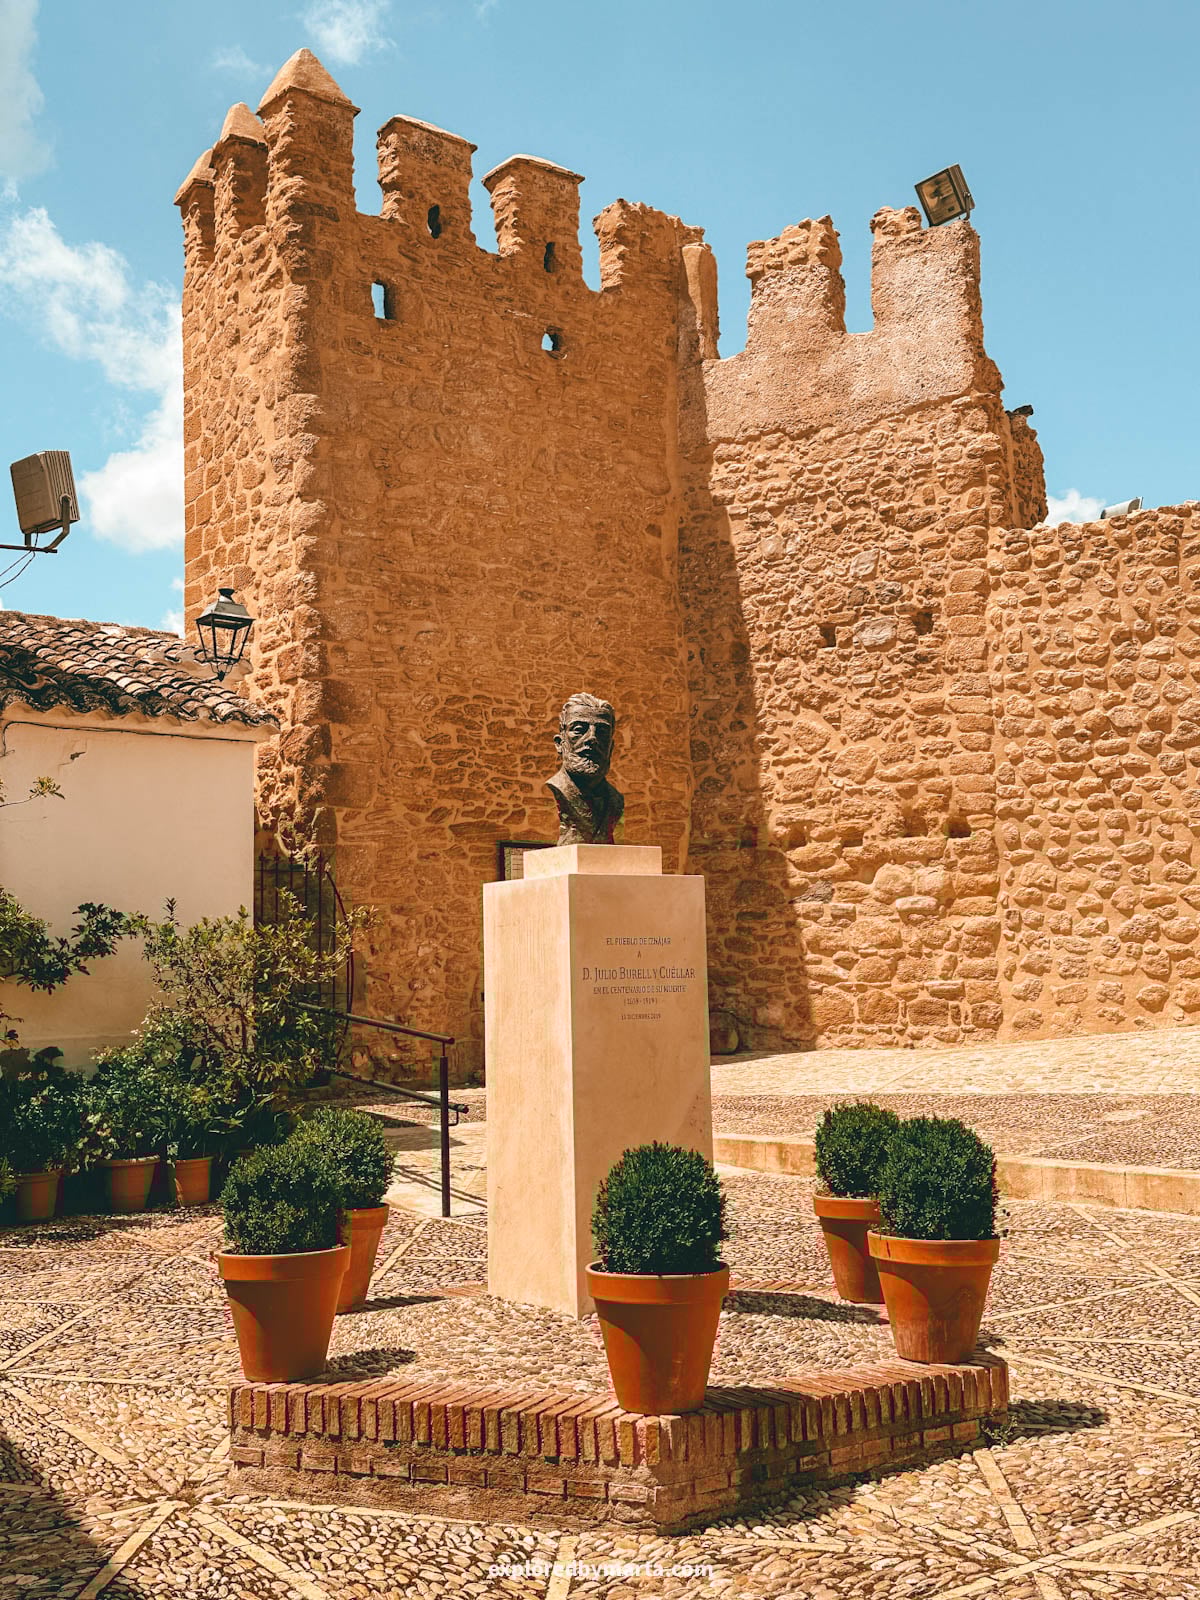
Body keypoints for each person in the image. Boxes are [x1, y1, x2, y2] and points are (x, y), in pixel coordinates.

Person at [546, 692, 625, 845]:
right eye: (579, 729)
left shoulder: (616, 800)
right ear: (559, 743)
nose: (592, 738)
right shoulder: (558, 789)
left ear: (611, 746)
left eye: (602, 732)